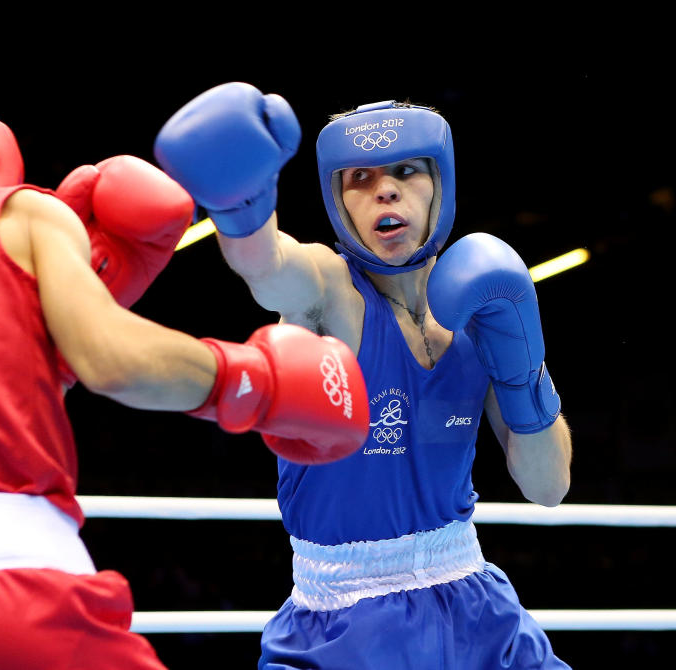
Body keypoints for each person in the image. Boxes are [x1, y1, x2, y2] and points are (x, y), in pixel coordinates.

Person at [0, 86, 372, 670]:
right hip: (21, 590)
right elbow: (114, 360)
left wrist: (44, 345)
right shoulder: (19, 210)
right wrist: (255, 381)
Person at [154, 82, 573, 669]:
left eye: (405, 169)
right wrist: (241, 206)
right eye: (360, 178)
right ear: (338, 200)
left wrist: (522, 368)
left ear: (440, 184)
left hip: (476, 603)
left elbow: (548, 488)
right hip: (345, 620)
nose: (385, 189)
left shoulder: (483, 308)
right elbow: (269, 267)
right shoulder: (332, 290)